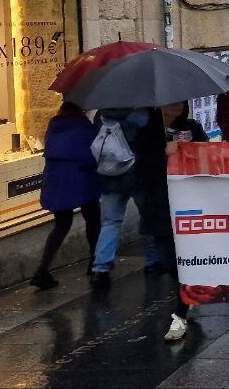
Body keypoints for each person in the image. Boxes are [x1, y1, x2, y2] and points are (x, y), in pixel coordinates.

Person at [130, 102, 208, 342]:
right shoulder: (147, 133)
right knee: (169, 261)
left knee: (182, 257)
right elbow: (140, 167)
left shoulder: (191, 127)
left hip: (188, 203)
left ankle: (180, 312)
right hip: (159, 205)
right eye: (170, 105)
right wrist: (162, 152)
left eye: (180, 105)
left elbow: (207, 154)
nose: (176, 109)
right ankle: (188, 294)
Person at [31, 102, 101, 290]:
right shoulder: (85, 127)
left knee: (62, 224)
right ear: (81, 109)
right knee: (93, 220)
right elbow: (92, 155)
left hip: (56, 181)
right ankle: (95, 264)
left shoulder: (54, 125)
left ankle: (42, 269)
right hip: (82, 179)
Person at [89, 107, 152, 289]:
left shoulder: (101, 116)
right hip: (137, 174)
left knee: (110, 222)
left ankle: (101, 268)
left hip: (109, 176)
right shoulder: (141, 114)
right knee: (147, 216)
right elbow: (148, 141)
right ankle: (153, 261)